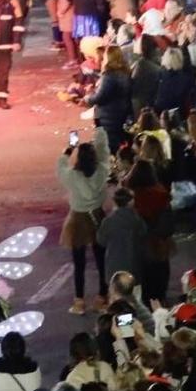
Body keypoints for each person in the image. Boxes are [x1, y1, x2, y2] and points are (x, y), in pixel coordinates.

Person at [56, 134, 111, 315]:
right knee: (101, 259)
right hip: (97, 216)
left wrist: (69, 148)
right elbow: (104, 153)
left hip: (77, 219)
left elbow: (60, 166)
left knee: (78, 263)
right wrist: (100, 131)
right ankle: (102, 297)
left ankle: (79, 302)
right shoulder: (102, 171)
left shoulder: (71, 176)